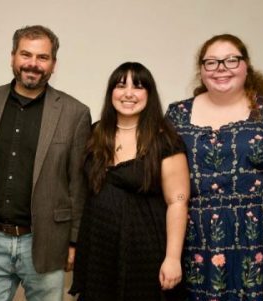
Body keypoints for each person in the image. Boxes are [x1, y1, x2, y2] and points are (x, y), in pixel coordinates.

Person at [0, 25, 91, 301]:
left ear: (53, 64)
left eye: (42, 57)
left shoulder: (75, 114)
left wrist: (74, 241)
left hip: (45, 241)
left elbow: (77, 185)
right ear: (12, 57)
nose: (33, 64)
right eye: (26, 55)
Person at [166, 33, 263, 300]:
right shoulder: (177, 115)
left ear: (246, 65)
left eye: (231, 60)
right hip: (198, 249)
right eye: (211, 62)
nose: (221, 69)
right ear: (201, 70)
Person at [69, 62, 189, 301]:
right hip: (98, 246)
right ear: (111, 92)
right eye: (121, 85)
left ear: (149, 94)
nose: (128, 93)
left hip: (145, 248)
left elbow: (178, 202)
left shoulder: (165, 140)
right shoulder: (95, 134)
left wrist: (173, 258)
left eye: (138, 86)